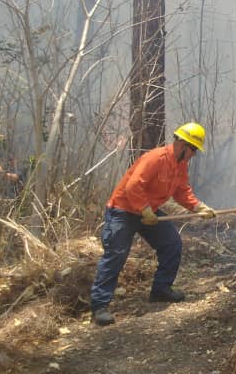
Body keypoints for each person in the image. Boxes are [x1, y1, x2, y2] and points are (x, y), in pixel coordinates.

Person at [89, 122, 216, 326]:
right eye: (192, 149)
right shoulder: (155, 158)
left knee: (171, 243)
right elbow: (132, 186)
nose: (193, 154)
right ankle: (99, 306)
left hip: (148, 212)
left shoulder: (180, 165)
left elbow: (182, 191)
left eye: (195, 151)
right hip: (123, 210)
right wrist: (144, 210)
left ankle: (161, 290)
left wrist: (199, 207)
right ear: (181, 144)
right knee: (116, 255)